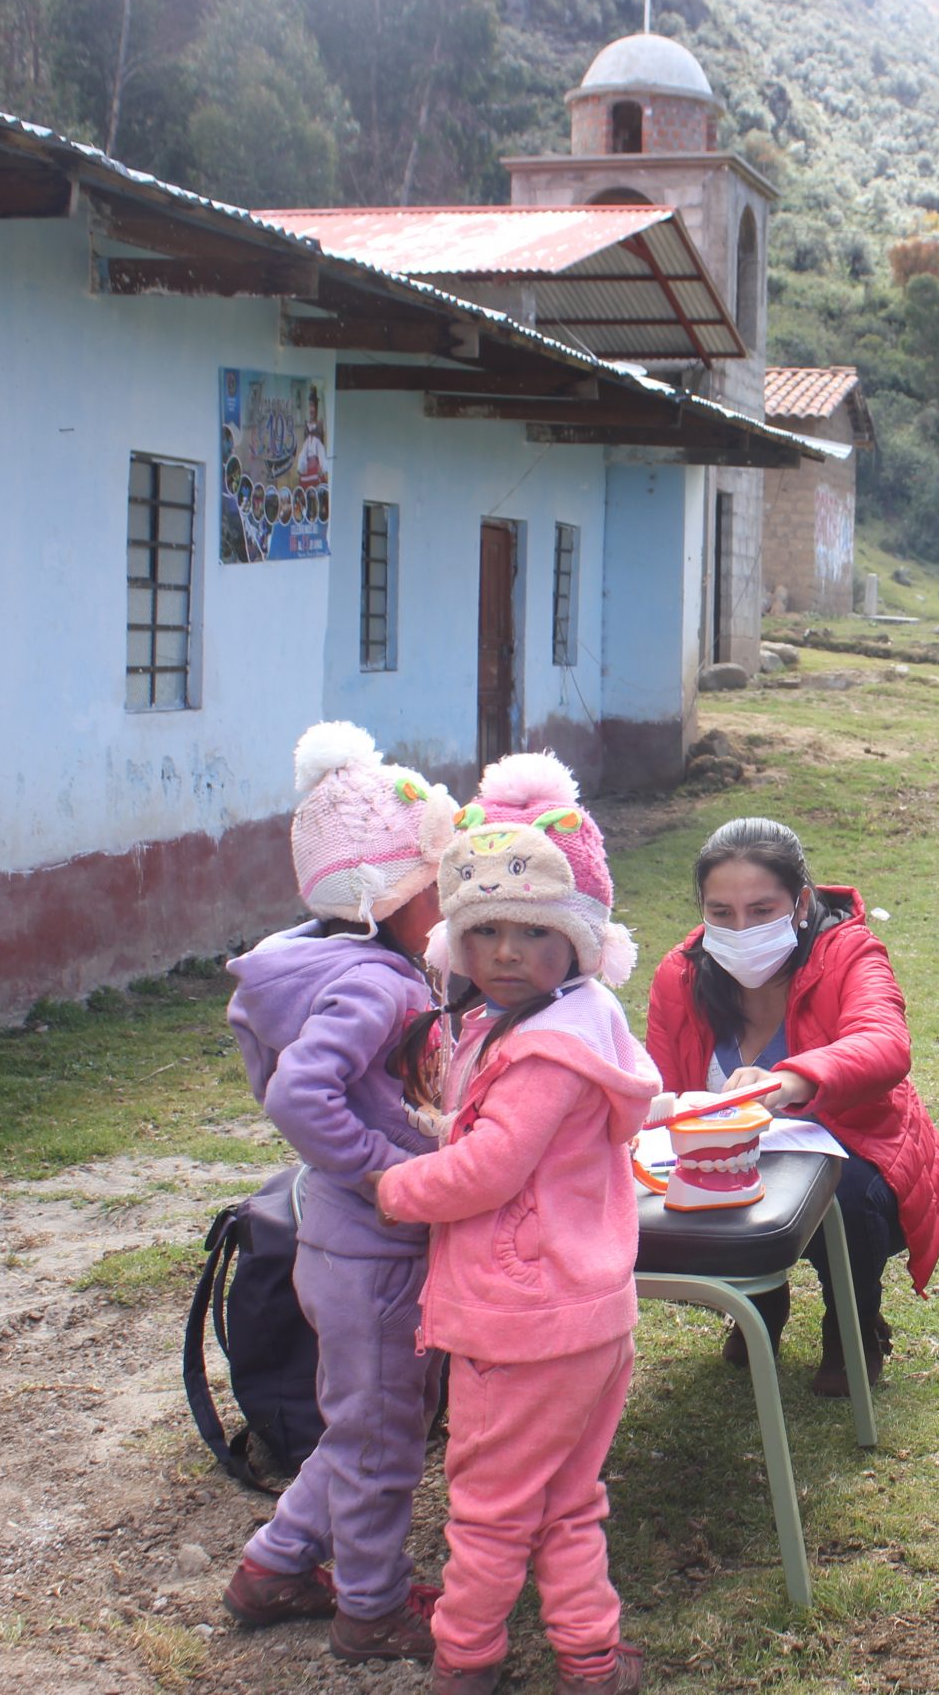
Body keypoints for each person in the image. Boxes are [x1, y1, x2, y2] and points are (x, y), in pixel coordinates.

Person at [375, 753, 662, 1695]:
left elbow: (492, 1167)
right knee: (570, 1497)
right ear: (456, 944)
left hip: (520, 1319)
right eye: (483, 930)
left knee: (491, 1509)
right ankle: (588, 1653)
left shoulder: (539, 1049)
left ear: (573, 943)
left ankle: (465, 1658)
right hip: (591, 1311)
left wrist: (399, 1186)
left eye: (530, 932)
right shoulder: (586, 1021)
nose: (504, 951)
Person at [219, 723, 459, 1665]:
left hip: (349, 1243)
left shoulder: (335, 964)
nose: (453, 908)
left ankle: (274, 1564)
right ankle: (369, 1606)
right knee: (382, 1443)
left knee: (367, 1423)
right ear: (387, 897)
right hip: (375, 1249)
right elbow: (299, 1093)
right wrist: (379, 1169)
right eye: (440, 885)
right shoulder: (377, 987)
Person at [642, 819, 939, 1395]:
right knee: (694, 1177)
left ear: (802, 903)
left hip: (858, 1146)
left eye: (762, 910)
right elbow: (661, 1089)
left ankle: (852, 1325)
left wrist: (791, 1079)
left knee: (848, 1196)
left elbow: (885, 1042)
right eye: (721, 912)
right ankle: (759, 1304)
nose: (740, 928)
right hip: (731, 1155)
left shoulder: (849, 952)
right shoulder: (680, 975)